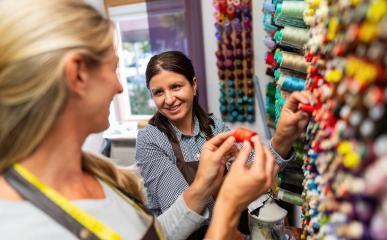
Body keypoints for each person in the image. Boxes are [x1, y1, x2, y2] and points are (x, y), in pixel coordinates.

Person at [0, 0, 278, 240]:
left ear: (194, 86)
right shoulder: (24, 225)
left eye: (176, 87)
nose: (119, 87)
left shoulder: (97, 175)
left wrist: (278, 142)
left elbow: (157, 232)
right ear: (78, 75)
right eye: (113, 68)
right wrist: (228, 205)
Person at [136, 51, 311, 237]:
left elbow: (252, 163)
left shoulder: (212, 127)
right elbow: (181, 219)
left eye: (176, 87)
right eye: (159, 92)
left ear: (194, 86)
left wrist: (283, 137)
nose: (169, 99)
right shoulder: (150, 140)